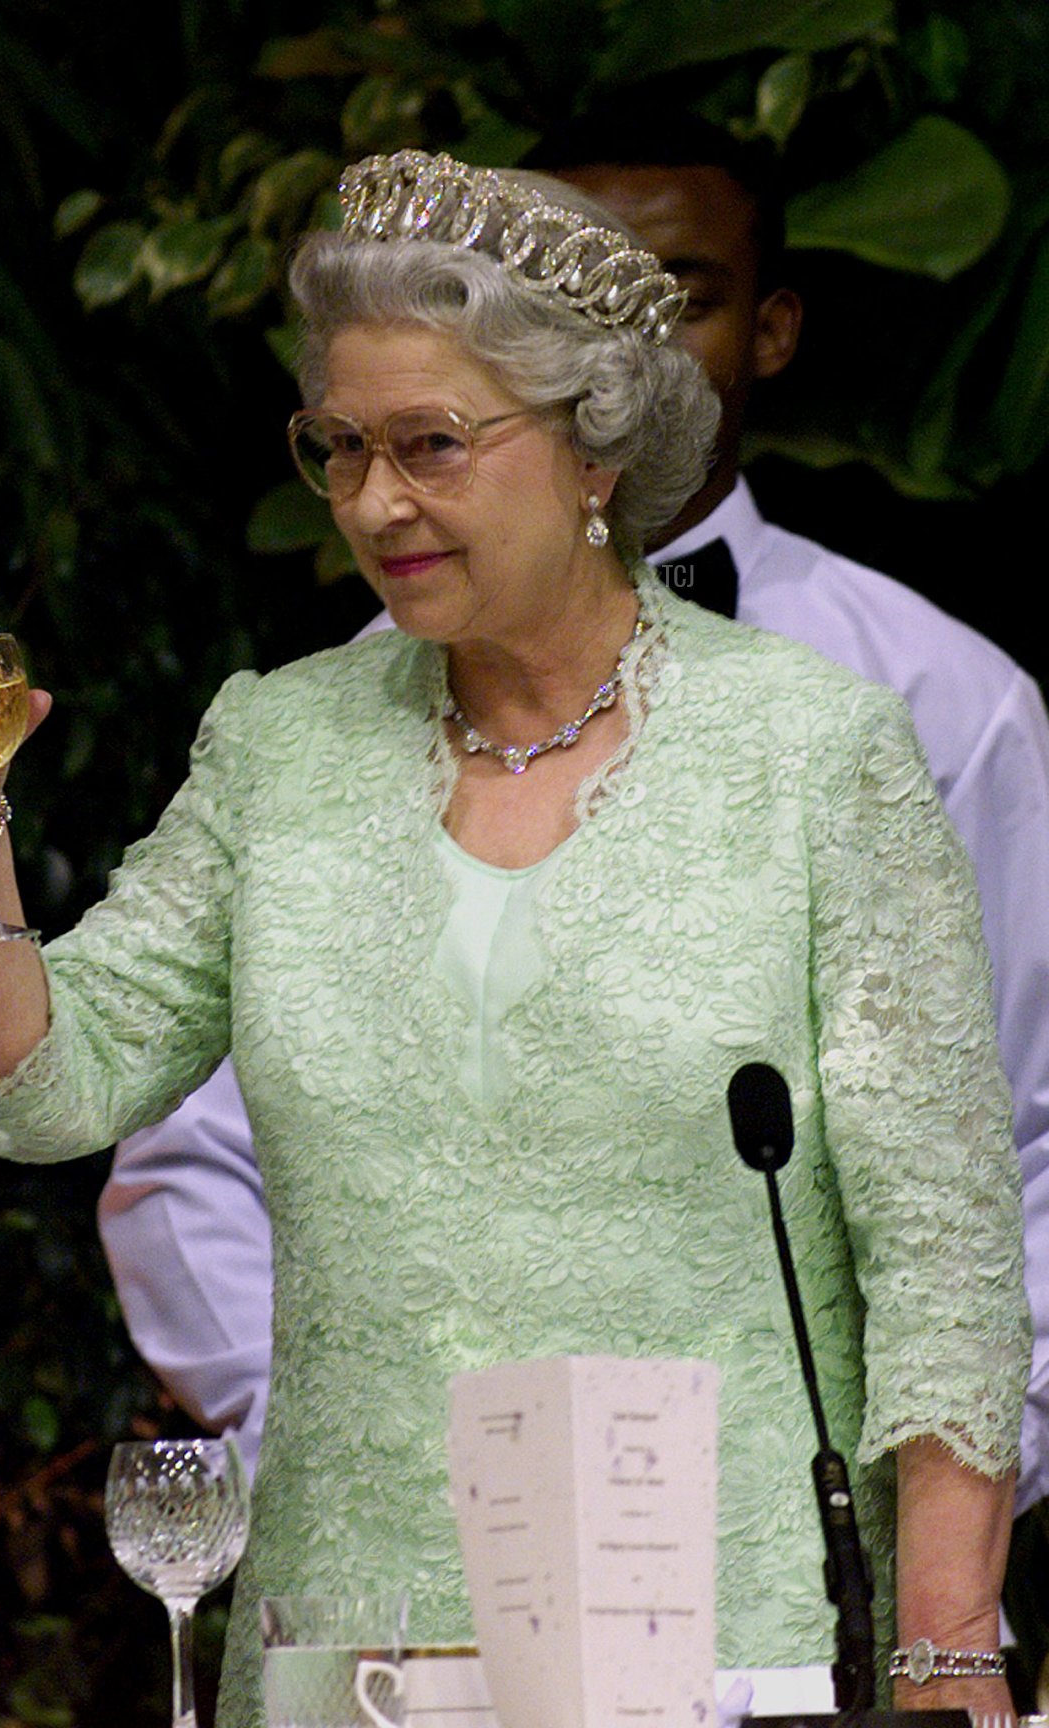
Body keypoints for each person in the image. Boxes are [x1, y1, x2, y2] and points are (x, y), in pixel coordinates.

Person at [0, 150, 1029, 1720]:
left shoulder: (817, 752)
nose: (371, 503)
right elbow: (41, 1087)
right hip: (357, 1650)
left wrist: (947, 1651)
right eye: (336, 450)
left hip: (732, 1642)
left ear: (595, 447)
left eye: (430, 446)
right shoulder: (280, 746)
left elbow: (944, 1253)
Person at [101, 117, 1049, 1540]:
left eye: (677, 297)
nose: (632, 347)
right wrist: (329, 1450)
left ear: (773, 329)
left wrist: (927, 1517)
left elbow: (1022, 1151)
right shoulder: (326, 720)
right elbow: (189, 1149)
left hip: (819, 1551)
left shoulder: (932, 697)